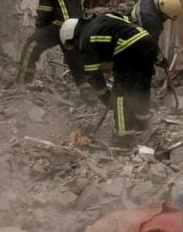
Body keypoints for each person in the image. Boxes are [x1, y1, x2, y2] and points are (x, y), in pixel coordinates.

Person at [60, 13, 159, 145]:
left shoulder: (85, 40)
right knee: (141, 87)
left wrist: (106, 98)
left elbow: (93, 75)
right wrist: (160, 58)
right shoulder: (104, 18)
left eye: (73, 43)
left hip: (129, 48)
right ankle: (142, 125)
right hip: (149, 43)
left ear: (72, 36)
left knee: (120, 94)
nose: (76, 46)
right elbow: (129, 25)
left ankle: (123, 139)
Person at [19, 0, 91, 98]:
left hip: (60, 25)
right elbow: (85, 10)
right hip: (78, 28)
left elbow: (44, 13)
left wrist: (40, 30)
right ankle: (89, 94)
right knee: (76, 60)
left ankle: (23, 81)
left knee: (32, 45)